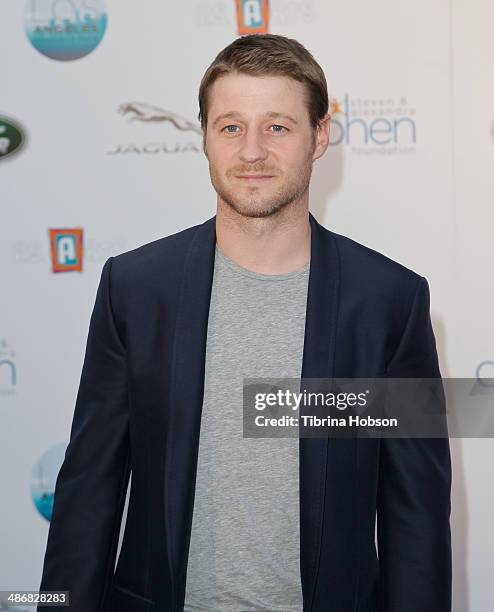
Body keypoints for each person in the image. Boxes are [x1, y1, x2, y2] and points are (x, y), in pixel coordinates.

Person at [38, 34, 452, 612]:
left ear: (320, 137)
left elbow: (417, 516)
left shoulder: (389, 302)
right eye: (231, 127)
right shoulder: (134, 290)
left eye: (278, 127)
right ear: (204, 137)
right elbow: (88, 493)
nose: (252, 151)